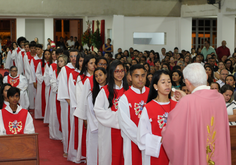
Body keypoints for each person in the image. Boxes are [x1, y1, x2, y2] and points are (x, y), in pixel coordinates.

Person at [162, 63, 231, 165]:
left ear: (187, 82)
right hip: (217, 156)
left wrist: (164, 131)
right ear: (206, 76)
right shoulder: (220, 98)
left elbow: (172, 134)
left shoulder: (187, 101)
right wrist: (185, 98)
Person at [137, 70, 177, 165]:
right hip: (156, 152)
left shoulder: (177, 105)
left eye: (169, 81)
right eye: (163, 82)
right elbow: (141, 136)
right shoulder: (148, 108)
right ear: (155, 86)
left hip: (175, 152)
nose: (167, 84)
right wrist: (161, 140)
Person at [94, 60, 129, 165]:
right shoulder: (105, 91)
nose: (119, 73)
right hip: (109, 131)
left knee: (125, 156)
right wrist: (119, 118)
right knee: (108, 158)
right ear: (111, 72)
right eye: (116, 71)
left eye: (122, 70)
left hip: (126, 131)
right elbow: (98, 111)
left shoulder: (129, 91)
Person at [118, 64, 149, 165]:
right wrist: (143, 140)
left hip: (150, 140)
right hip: (133, 140)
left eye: (143, 75)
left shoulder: (152, 94)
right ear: (130, 77)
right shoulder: (124, 98)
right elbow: (125, 124)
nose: (140, 79)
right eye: (137, 76)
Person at [57, 49, 78, 156]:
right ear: (69, 58)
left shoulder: (81, 69)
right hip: (67, 103)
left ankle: (79, 151)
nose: (73, 58)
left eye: (75, 56)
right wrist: (71, 102)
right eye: (71, 56)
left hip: (79, 104)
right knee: (67, 125)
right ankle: (67, 149)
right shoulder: (65, 69)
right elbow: (63, 87)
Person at [86, 67, 108, 165]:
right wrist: (98, 125)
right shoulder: (92, 93)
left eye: (100, 75)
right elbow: (90, 111)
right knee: (94, 151)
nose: (98, 78)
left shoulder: (111, 91)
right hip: (95, 126)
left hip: (108, 126)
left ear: (106, 75)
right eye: (96, 76)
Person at [49, 55, 67, 140]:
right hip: (56, 94)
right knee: (56, 114)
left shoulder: (67, 72)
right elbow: (53, 81)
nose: (59, 63)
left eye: (61, 61)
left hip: (64, 97)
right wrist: (57, 89)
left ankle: (64, 135)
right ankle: (57, 133)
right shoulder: (55, 71)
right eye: (58, 61)